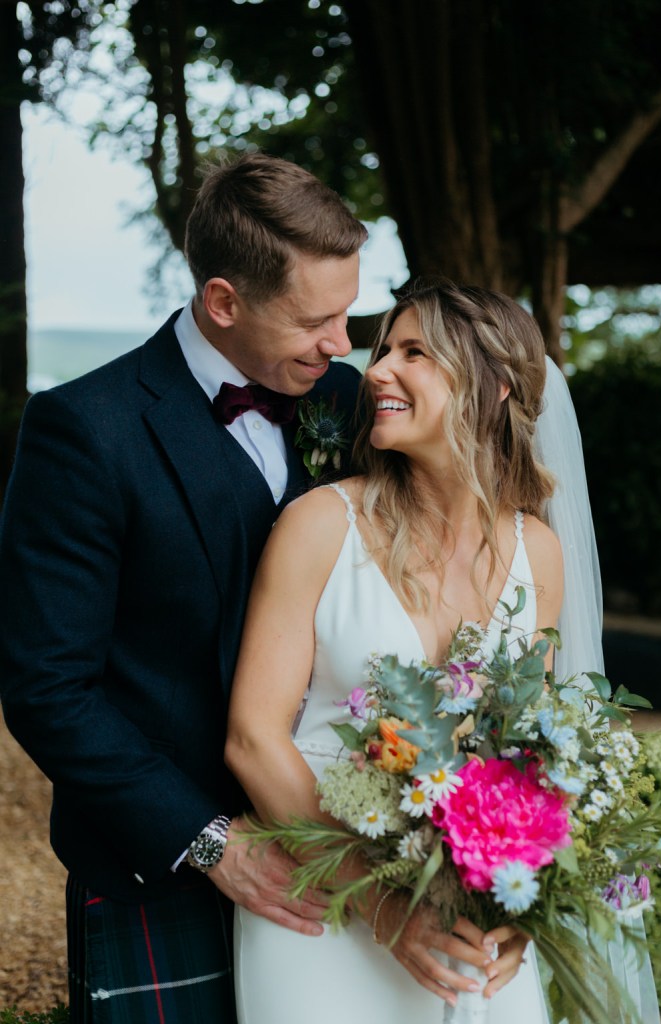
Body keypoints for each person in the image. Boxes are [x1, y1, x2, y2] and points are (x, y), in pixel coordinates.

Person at [0, 151, 368, 1024]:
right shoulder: (84, 431)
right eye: (315, 320)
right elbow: (48, 688)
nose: (342, 344)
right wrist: (209, 842)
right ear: (223, 302)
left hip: (346, 845)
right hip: (164, 862)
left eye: (348, 313)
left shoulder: (351, 404)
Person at [226, 279, 565, 1024]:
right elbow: (253, 739)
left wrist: (517, 912)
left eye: (412, 352)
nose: (374, 369)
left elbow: (527, 764)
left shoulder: (535, 552)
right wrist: (381, 905)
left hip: (467, 922)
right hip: (322, 903)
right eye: (383, 350)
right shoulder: (318, 525)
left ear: (496, 384)